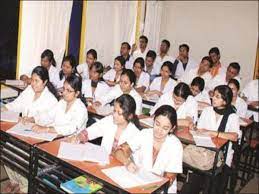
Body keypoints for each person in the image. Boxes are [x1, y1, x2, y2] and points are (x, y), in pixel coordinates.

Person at [1, 66, 58, 194]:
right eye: (32, 80)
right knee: (7, 151)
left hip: (38, 138)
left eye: (36, 81)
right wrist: (4, 108)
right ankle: (14, 181)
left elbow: (48, 120)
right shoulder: (29, 90)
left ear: (45, 82)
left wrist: (32, 119)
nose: (33, 84)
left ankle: (24, 187)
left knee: (22, 158)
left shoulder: (51, 100)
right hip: (22, 132)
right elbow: (17, 104)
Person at [181, 85, 241, 194]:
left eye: (217, 97)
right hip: (203, 150)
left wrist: (213, 133)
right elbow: (200, 130)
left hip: (221, 154)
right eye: (214, 95)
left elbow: (234, 136)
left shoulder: (232, 116)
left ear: (225, 101)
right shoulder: (207, 110)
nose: (213, 98)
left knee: (211, 183)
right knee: (194, 177)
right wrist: (195, 129)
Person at [114, 105, 183, 193]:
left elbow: (168, 180)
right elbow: (119, 151)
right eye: (157, 124)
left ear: (172, 129)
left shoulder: (175, 145)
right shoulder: (144, 134)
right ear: (153, 120)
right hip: (138, 183)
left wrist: (148, 190)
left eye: (165, 128)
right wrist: (127, 162)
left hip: (161, 190)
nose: (159, 130)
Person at [71, 94, 140, 155]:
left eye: (119, 113)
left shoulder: (135, 133)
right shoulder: (109, 120)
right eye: (114, 111)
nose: (114, 115)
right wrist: (79, 137)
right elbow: (92, 130)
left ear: (129, 116)